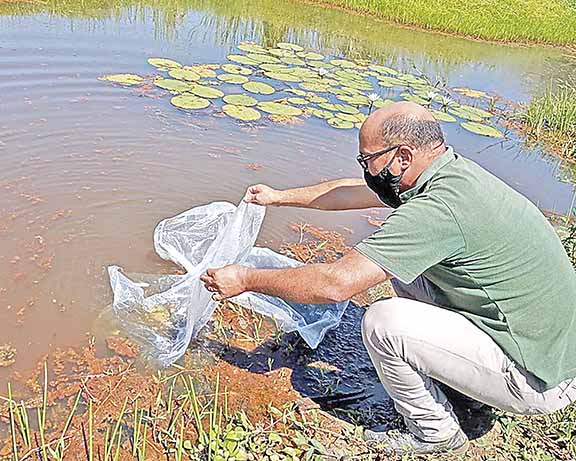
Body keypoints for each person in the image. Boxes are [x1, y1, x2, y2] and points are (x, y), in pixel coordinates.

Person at [200, 101, 576, 455]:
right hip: (542, 344)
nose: (365, 170)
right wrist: (279, 197)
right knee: (407, 272)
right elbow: (352, 192)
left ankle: (437, 433)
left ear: (403, 156)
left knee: (383, 322)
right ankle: (458, 378)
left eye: (367, 160)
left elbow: (335, 283)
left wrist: (246, 278)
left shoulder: (438, 209)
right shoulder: (447, 173)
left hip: (540, 379)